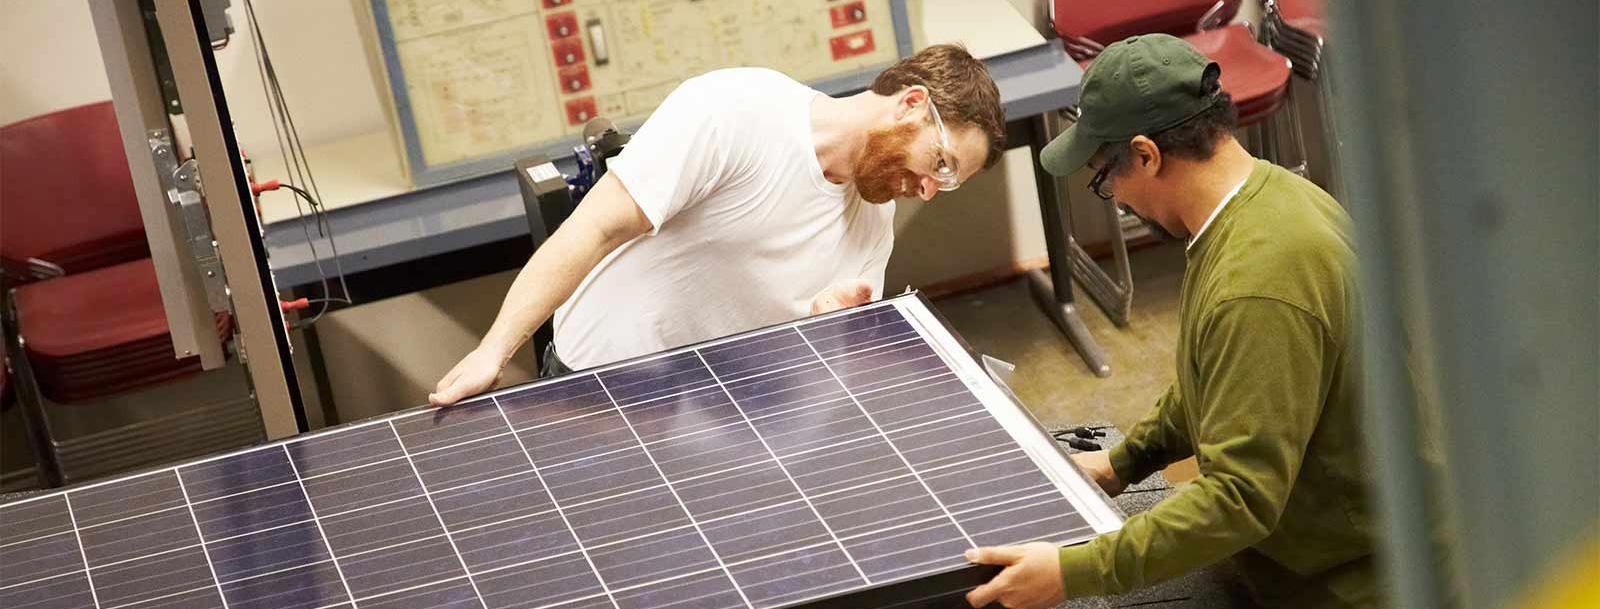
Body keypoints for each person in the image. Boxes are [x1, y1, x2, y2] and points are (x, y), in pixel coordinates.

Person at [963, 34, 1380, 609]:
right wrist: (1124, 461)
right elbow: (1219, 383)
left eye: (1105, 177)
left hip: (1347, 587)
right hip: (1309, 552)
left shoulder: (1257, 283)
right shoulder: (1271, 200)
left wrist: (1073, 572)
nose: (1114, 197)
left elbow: (1240, 499)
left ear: (1145, 154)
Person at [429, 44, 1006, 406]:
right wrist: (494, 352)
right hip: (604, 384)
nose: (930, 190)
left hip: (724, 407)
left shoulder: (873, 221)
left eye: (948, 183)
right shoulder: (735, 111)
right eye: (941, 163)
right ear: (910, 104)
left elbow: (818, 358)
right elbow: (595, 228)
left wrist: (823, 331)